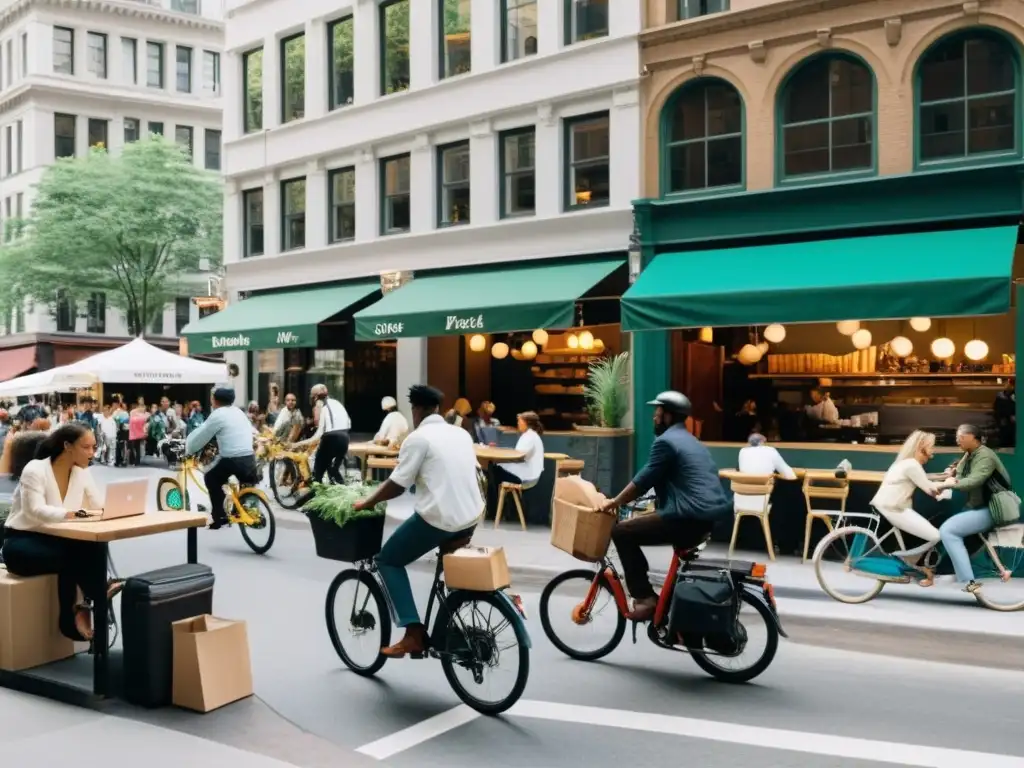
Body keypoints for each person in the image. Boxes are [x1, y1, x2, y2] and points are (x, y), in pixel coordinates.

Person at [353, 385, 483, 657]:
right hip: (470, 516)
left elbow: (398, 484)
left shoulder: (418, 438)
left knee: (387, 559)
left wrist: (368, 502)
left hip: (439, 519)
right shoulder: (460, 433)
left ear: (416, 409)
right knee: (449, 575)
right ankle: (449, 626)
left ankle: (413, 634)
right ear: (436, 407)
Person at [598, 391, 732, 621]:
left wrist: (616, 501)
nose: (653, 418)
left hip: (685, 516)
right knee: (677, 562)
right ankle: (673, 613)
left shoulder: (666, 442)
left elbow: (644, 479)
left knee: (621, 532)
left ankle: (645, 598)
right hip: (708, 517)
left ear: (668, 417)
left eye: (657, 413)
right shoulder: (692, 441)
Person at [1, 424, 115, 642]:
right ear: (67, 446)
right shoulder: (35, 469)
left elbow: (98, 505)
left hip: (58, 541)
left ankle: (86, 605)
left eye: (94, 447)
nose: (92, 453)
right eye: (86, 447)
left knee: (90, 546)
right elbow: (34, 511)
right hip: (21, 542)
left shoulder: (82, 473)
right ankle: (93, 597)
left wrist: (116, 508)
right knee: (76, 554)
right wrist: (73, 514)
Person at [937, 424, 1014, 593]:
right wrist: (951, 472)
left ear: (974, 437)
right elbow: (960, 474)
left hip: (991, 509)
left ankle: (968, 581)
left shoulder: (985, 456)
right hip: (976, 507)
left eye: (961, 437)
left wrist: (947, 485)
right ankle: (942, 571)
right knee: (944, 526)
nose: (957, 440)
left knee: (948, 530)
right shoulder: (969, 454)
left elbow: (974, 480)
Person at [870, 430, 944, 585]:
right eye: (931, 447)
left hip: (888, 506)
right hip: (895, 509)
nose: (933, 452)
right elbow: (930, 489)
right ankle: (906, 560)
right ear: (922, 446)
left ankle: (917, 565)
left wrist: (944, 476)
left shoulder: (905, 463)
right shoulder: (912, 465)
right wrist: (951, 484)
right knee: (935, 536)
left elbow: (924, 478)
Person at [185, 388, 260, 529]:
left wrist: (189, 448)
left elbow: (202, 435)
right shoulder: (239, 412)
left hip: (232, 459)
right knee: (247, 481)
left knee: (211, 478)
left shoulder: (217, 415)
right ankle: (249, 511)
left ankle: (219, 517)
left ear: (216, 400)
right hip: (249, 457)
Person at [293, 384, 350, 485]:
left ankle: (315, 491)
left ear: (315, 398)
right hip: (345, 438)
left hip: (331, 438)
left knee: (317, 474)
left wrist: (298, 444)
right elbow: (347, 422)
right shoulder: (337, 403)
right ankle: (342, 488)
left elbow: (318, 435)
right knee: (333, 471)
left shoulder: (322, 407)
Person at [735, 433, 796, 513]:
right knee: (790, 488)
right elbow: (790, 475)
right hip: (763, 500)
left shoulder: (742, 451)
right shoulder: (770, 450)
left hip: (742, 501)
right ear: (762, 442)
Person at [493, 411, 545, 487]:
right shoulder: (531, 435)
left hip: (528, 476)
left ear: (526, 423)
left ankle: (494, 498)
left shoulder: (529, 436)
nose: (518, 424)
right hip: (530, 473)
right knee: (496, 468)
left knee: (494, 470)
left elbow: (517, 456)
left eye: (520, 421)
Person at [993, 378, 1015, 448]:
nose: (1007, 385)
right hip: (1005, 421)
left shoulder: (1015, 395)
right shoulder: (1001, 395)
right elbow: (997, 409)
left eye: (1009, 384)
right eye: (1007, 383)